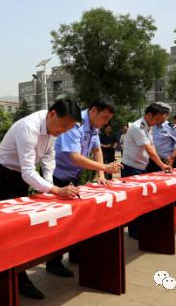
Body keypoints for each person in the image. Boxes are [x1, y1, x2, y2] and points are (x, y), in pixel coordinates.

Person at [0, 97, 82, 300]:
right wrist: (56, 190)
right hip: (6, 173)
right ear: (52, 114)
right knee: (10, 228)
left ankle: (25, 270)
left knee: (22, 226)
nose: (65, 130)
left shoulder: (53, 129)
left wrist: (48, 187)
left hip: (22, 176)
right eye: (64, 125)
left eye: (70, 127)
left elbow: (48, 160)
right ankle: (17, 278)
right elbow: (28, 171)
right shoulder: (29, 127)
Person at [48, 99, 122, 278]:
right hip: (55, 176)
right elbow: (74, 156)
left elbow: (97, 150)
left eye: (108, 120)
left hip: (72, 176)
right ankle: (53, 262)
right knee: (58, 220)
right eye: (104, 117)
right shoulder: (75, 122)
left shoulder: (94, 126)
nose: (105, 123)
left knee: (75, 217)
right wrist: (105, 168)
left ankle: (75, 253)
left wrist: (102, 176)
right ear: (93, 110)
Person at [121, 103, 172, 239]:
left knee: (142, 200)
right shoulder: (138, 127)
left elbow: (152, 146)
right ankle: (134, 231)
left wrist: (160, 162)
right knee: (133, 201)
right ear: (149, 115)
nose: (156, 123)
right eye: (156, 119)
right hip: (131, 168)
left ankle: (140, 226)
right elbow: (148, 149)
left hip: (141, 167)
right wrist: (161, 165)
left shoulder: (148, 126)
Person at [147, 103, 176, 172]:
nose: (156, 116)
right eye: (156, 114)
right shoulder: (152, 126)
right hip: (152, 161)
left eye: (159, 114)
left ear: (166, 115)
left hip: (165, 161)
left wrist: (172, 157)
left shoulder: (171, 127)